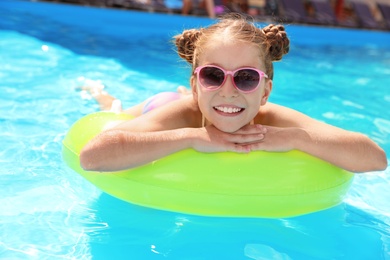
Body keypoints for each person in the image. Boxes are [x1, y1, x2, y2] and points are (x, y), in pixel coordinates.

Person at [79, 14, 387, 173]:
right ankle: (99, 91)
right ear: (195, 83)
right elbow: (92, 156)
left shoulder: (272, 119)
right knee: (112, 109)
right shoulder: (182, 114)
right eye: (213, 75)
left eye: (246, 78)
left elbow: (374, 159)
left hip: (200, 102)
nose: (228, 91)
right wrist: (192, 137)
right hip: (163, 105)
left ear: (265, 91)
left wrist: (295, 137)